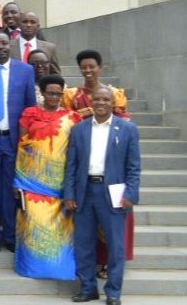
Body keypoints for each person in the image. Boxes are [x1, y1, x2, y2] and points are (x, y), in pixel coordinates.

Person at [64, 87, 141, 305]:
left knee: (116, 246)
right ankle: (88, 289)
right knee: (83, 244)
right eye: (97, 99)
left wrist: (130, 194)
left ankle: (113, 293)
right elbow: (71, 165)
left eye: (106, 99)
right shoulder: (79, 129)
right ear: (91, 102)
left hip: (114, 194)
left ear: (113, 103)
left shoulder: (127, 129)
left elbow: (134, 166)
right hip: (84, 192)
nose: (101, 103)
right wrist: (69, 193)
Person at [62, 49, 134, 279]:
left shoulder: (115, 94)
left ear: (100, 68)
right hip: (83, 158)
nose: (88, 70)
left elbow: (123, 121)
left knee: (111, 225)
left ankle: (108, 267)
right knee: (85, 226)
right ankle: (88, 270)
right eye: (83, 67)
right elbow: (66, 122)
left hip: (111, 166)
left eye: (91, 66)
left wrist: (88, 112)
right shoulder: (71, 95)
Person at [13, 74, 80, 280]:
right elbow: (22, 148)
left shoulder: (72, 117)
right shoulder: (30, 114)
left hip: (60, 184)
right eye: (51, 93)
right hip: (32, 182)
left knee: (61, 230)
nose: (55, 97)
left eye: (58, 94)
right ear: (42, 93)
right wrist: (18, 180)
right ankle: (32, 267)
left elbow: (76, 151)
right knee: (33, 225)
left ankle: (59, 268)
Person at [0, 32, 37, 253]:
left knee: (12, 189)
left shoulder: (25, 70)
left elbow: (30, 109)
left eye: (4, 43)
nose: (0, 47)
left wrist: (27, 141)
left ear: (10, 45)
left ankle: (10, 235)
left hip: (14, 140)